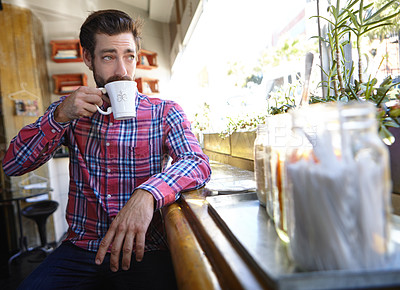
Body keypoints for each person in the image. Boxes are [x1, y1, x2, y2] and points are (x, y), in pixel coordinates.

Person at [2, 9, 211, 289]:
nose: (123, 71)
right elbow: (13, 165)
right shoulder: (70, 111)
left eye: (129, 56)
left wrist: (147, 193)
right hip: (80, 249)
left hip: (144, 249)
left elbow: (197, 162)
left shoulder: (165, 112)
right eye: (109, 57)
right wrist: (59, 116)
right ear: (89, 58)